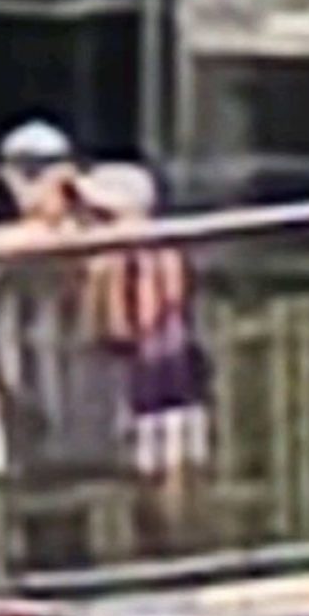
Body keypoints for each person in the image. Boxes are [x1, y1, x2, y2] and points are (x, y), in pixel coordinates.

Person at [0, 117, 133, 576]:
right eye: (22, 172)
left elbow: (129, 225)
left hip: (81, 382)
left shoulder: (95, 232)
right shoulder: (3, 243)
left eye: (43, 170)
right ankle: (35, 570)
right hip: (24, 379)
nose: (31, 185)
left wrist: (81, 197)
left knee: (76, 490)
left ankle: (74, 567)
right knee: (31, 490)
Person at [83, 161, 213, 559]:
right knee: (156, 479)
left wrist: (101, 280)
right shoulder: (162, 252)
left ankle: (172, 556)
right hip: (162, 381)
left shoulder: (141, 257)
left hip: (156, 381)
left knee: (163, 483)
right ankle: (167, 552)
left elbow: (120, 328)